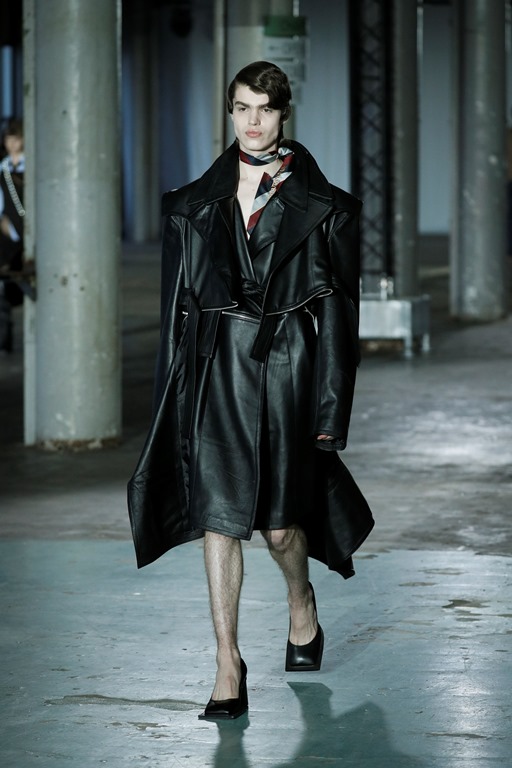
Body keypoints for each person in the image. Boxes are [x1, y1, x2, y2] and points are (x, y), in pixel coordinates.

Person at [128, 61, 374, 720]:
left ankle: (301, 601)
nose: (253, 121)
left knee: (279, 527)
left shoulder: (329, 210)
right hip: (215, 368)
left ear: (283, 113)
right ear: (231, 112)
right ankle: (227, 663)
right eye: (242, 108)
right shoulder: (191, 205)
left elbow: (341, 320)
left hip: (287, 368)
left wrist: (331, 411)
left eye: (264, 108)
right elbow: (174, 312)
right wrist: (168, 405)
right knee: (220, 518)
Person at [0, 118, 25, 353]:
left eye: (15, 139)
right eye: (8, 139)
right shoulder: (3, 168)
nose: (12, 144)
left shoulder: (32, 166)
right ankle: (4, 339)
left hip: (29, 230)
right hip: (8, 231)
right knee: (4, 285)